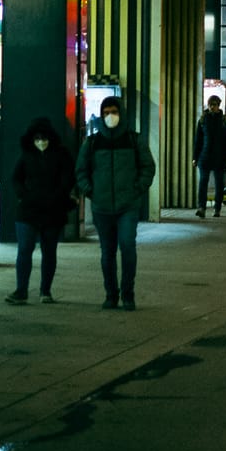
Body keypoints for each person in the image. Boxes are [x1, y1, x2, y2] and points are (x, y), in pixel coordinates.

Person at [75, 96, 156, 311]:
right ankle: (111, 294)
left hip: (127, 205)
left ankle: (128, 293)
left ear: (121, 113)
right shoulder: (92, 142)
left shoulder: (133, 139)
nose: (110, 116)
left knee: (128, 246)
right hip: (102, 207)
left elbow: (148, 167)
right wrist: (90, 190)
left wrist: (137, 188)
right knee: (107, 252)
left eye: (114, 111)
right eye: (106, 112)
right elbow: (81, 170)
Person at [7, 117, 75, 305]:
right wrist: (25, 195)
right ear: (32, 139)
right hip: (29, 210)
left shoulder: (61, 155)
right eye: (37, 138)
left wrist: (57, 196)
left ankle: (45, 290)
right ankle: (22, 290)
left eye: (44, 138)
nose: (41, 142)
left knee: (48, 251)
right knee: (25, 250)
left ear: (50, 137)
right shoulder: (26, 155)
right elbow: (16, 178)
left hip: (52, 211)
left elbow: (68, 179)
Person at [192, 95, 226, 218]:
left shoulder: (224, 120)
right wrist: (195, 157)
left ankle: (217, 208)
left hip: (219, 157)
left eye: (214, 104)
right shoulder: (203, 120)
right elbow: (197, 140)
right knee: (203, 182)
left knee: (219, 183)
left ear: (218, 105)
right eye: (210, 104)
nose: (212, 107)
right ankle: (201, 207)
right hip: (204, 157)